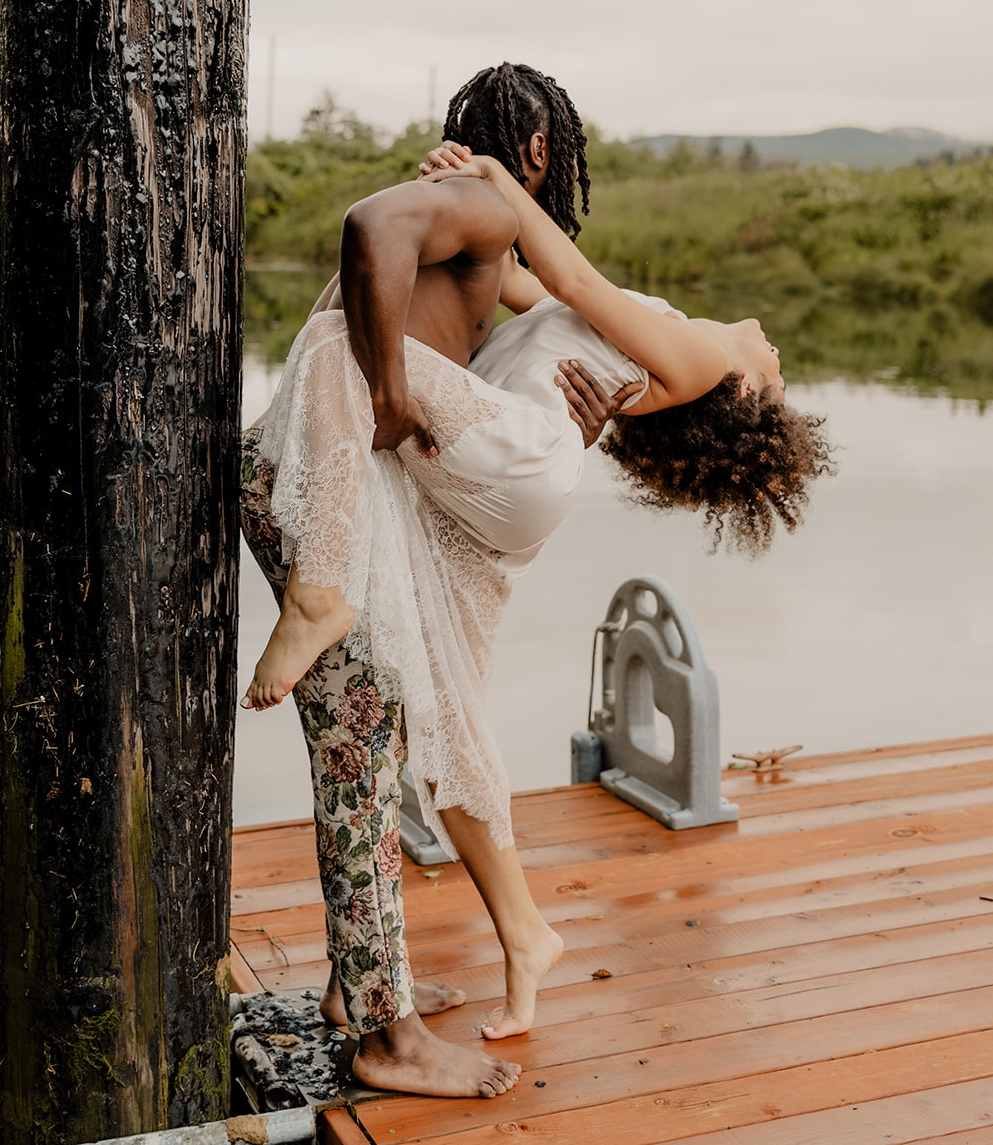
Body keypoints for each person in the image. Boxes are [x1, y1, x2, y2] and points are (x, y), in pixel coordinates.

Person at [239, 63, 830, 1088]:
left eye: (774, 381)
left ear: (742, 389)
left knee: (342, 341)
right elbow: (522, 289)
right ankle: (517, 936)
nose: (775, 354)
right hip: (495, 489)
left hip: (510, 462)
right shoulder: (631, 324)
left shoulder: (693, 349)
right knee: (445, 709)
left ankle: (320, 587)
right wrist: (481, 201)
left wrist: (498, 192)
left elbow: (576, 285)